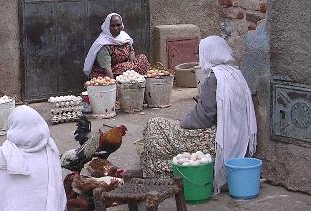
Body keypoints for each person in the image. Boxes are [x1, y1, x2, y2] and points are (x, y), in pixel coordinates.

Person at [140, 36, 257, 193]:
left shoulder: (216, 78)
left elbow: (203, 118)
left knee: (155, 125)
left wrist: (183, 123)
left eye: (200, 53)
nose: (198, 57)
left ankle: (164, 173)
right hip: (236, 137)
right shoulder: (235, 74)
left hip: (217, 139)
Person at [83, 13, 149, 79]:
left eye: (118, 25)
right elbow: (107, 68)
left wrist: (132, 54)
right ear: (108, 27)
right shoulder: (103, 44)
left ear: (122, 25)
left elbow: (131, 48)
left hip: (122, 65)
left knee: (142, 58)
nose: (116, 28)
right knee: (128, 67)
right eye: (112, 26)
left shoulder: (123, 36)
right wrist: (113, 83)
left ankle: (133, 78)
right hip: (106, 72)